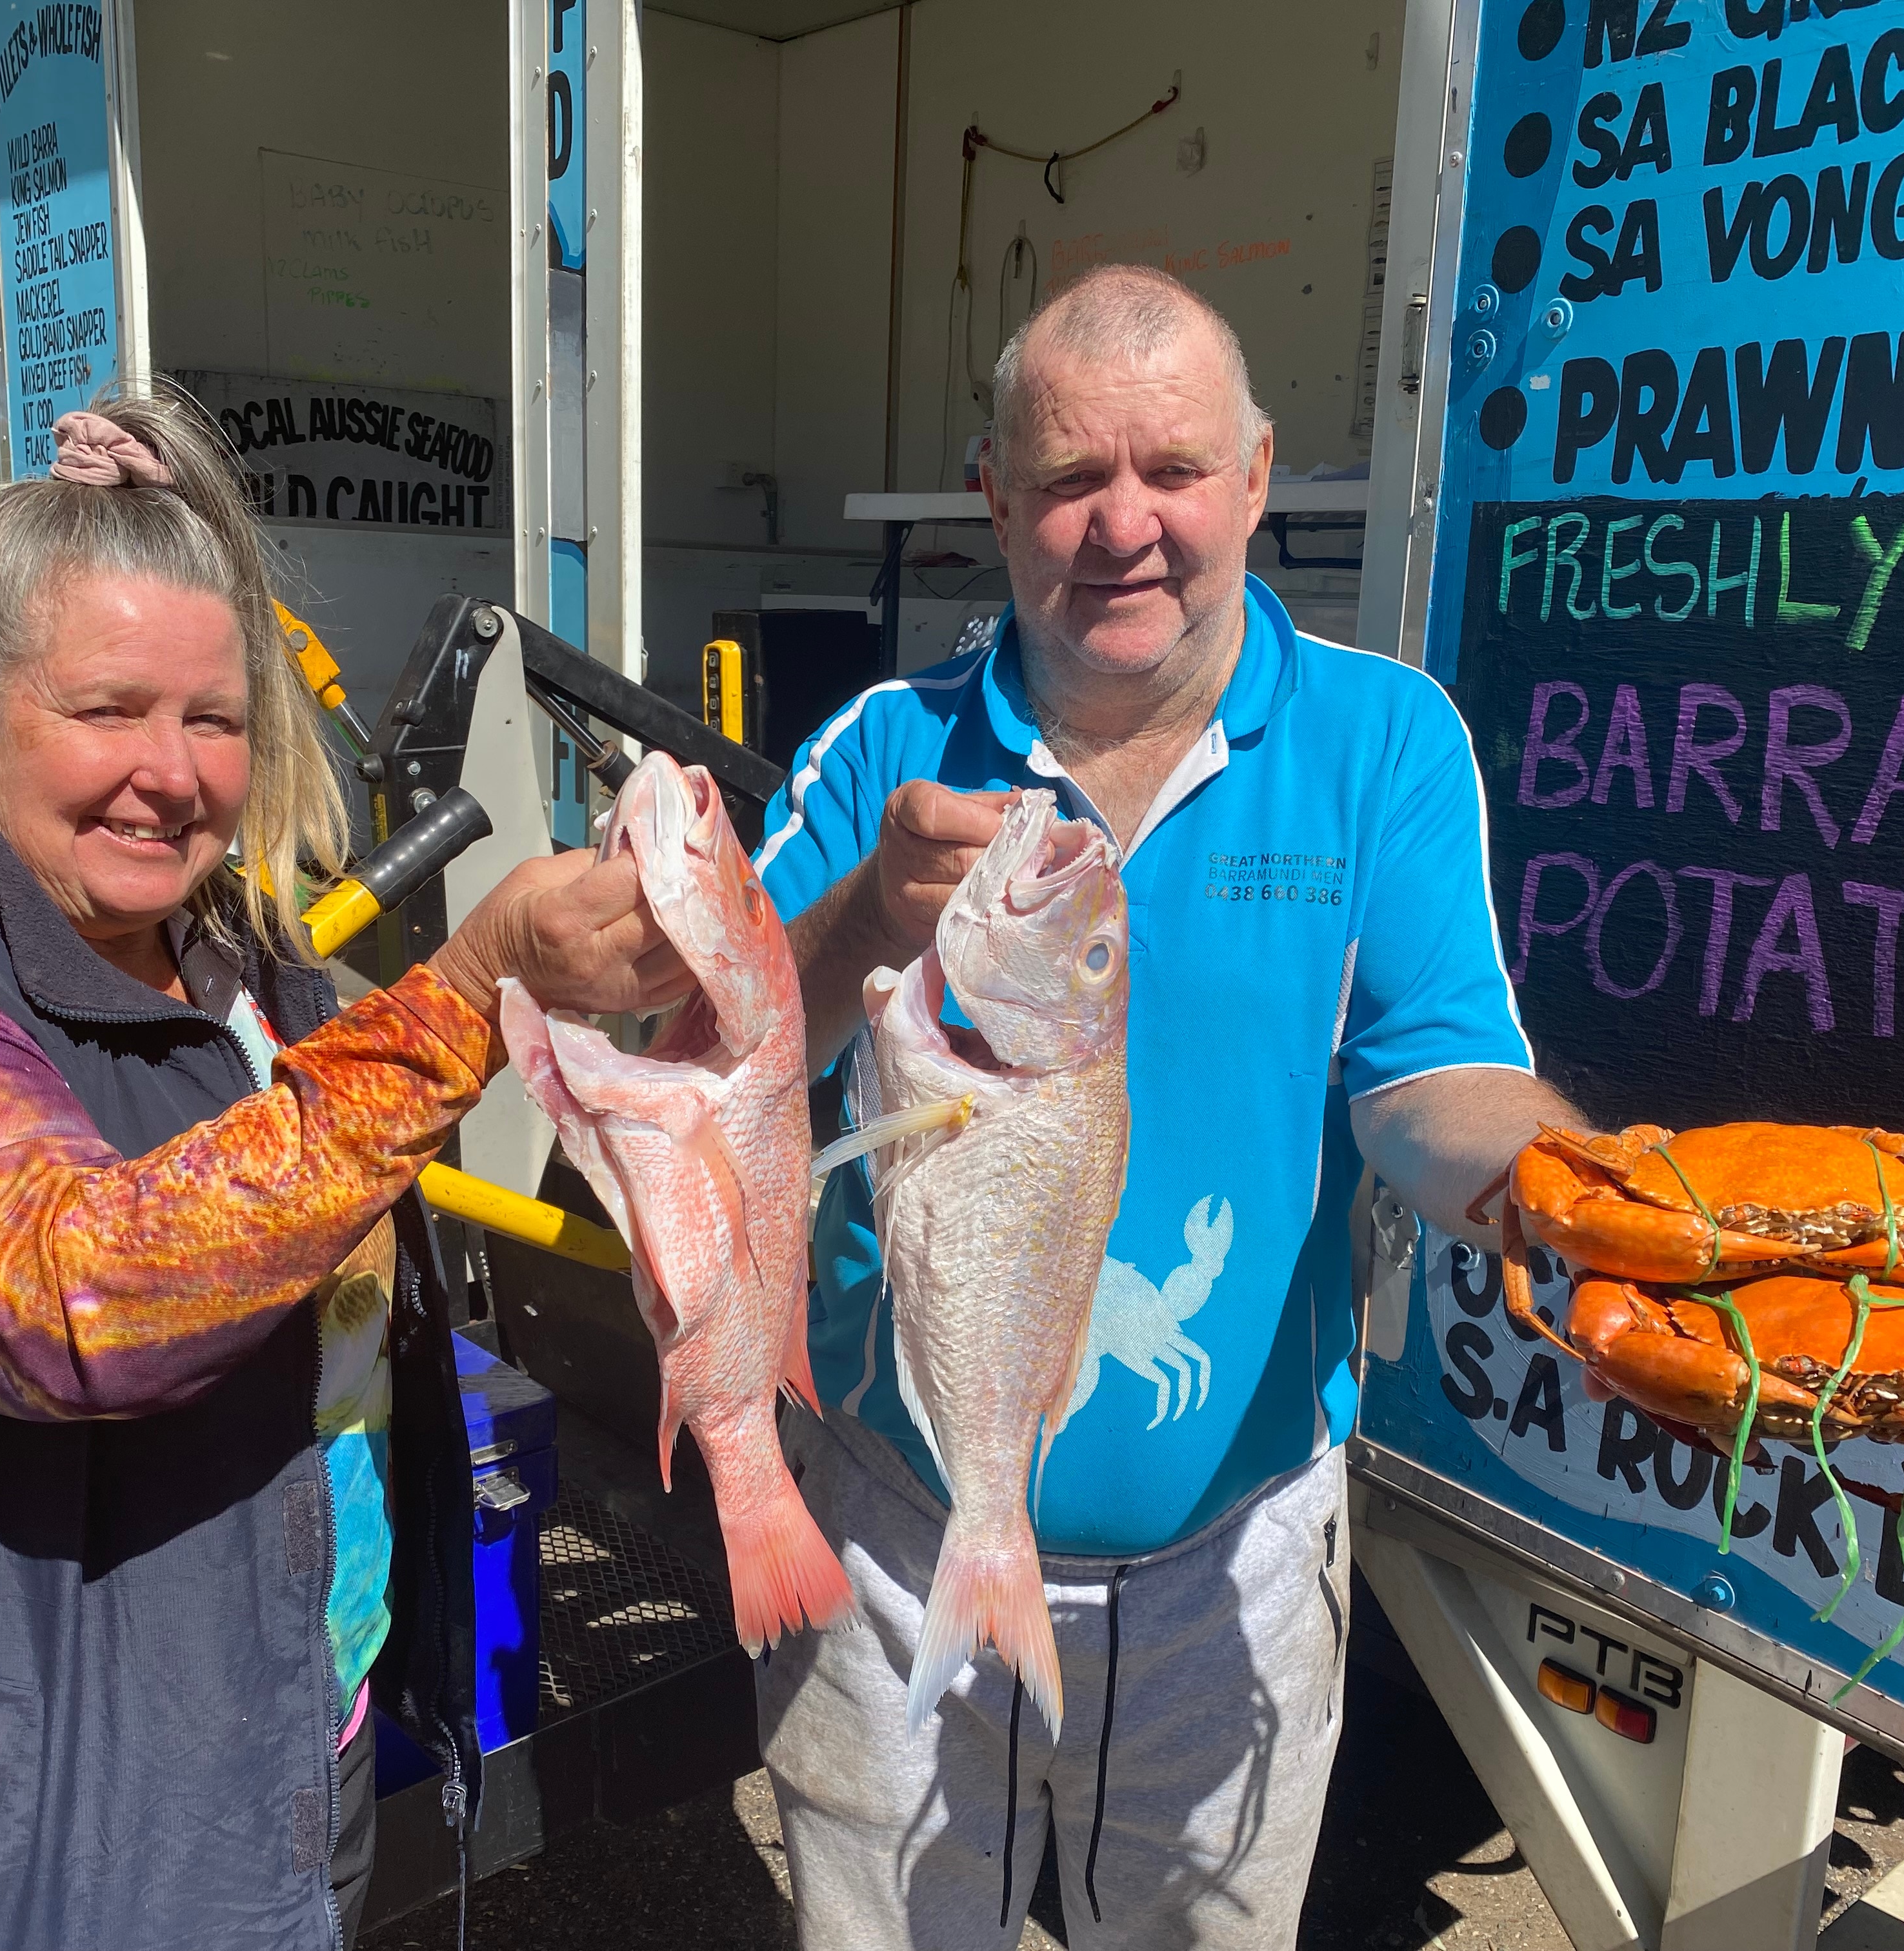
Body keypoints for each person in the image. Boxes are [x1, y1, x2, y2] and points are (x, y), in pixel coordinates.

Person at [0, 391, 686, 1949]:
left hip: (252, 1769)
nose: (172, 772)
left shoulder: (223, 951)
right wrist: (461, 995)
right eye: (107, 709)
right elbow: (77, 1294)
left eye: (213, 718)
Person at [751, 265, 1587, 1948]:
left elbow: (1432, 1081)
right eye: (1068, 479)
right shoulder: (879, 752)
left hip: (1239, 1559)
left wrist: (1573, 1193)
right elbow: (721, 1069)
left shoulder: (1383, 742)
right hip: (893, 1524)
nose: (1122, 524)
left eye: (1175, 471)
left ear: (1260, 478)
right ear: (993, 496)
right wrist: (860, 928)